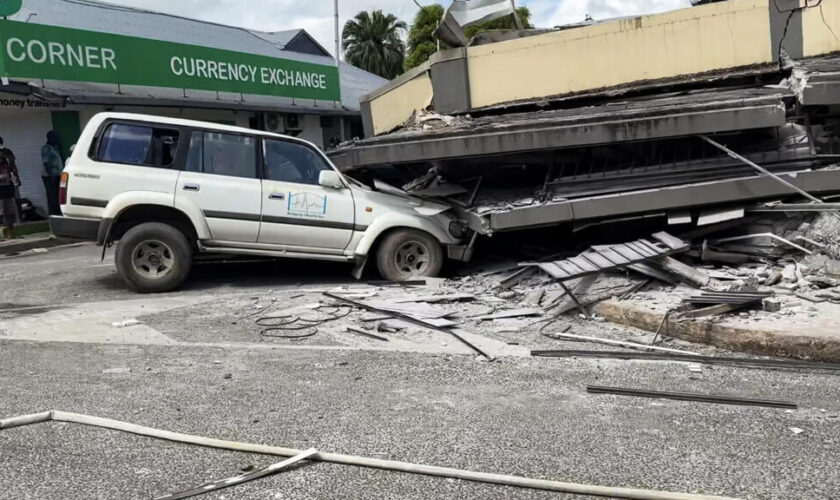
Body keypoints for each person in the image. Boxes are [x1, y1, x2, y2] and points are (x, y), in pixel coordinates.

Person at [41, 130, 64, 216]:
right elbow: (46, 163)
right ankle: (53, 214)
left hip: (57, 175)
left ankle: (58, 213)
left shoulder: (54, 148)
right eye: (55, 137)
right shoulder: (46, 148)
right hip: (49, 176)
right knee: (52, 196)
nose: (56, 139)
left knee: (57, 196)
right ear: (50, 138)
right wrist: (51, 176)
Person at [0, 137, 23, 215]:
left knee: (11, 200)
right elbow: (13, 166)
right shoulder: (8, 152)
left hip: (8, 180)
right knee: (14, 199)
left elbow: (13, 166)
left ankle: (17, 217)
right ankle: (19, 217)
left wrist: (17, 179)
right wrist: (17, 179)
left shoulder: (7, 152)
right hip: (9, 180)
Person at [0, 156, 19, 239]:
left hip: (8, 193)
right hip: (2, 194)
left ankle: (10, 233)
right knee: (3, 213)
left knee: (9, 213)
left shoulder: (9, 169)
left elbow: (15, 180)